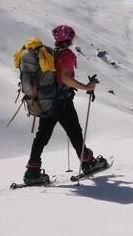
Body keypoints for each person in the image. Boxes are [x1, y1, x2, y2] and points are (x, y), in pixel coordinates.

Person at [23, 24, 108, 185]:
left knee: (42, 135)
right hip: (62, 101)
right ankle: (88, 163)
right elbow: (65, 78)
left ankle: (32, 171)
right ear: (69, 39)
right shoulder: (66, 55)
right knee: (75, 131)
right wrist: (86, 87)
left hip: (46, 101)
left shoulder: (50, 54)